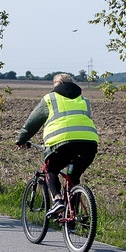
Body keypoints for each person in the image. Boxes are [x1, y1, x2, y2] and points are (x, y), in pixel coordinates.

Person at [16, 73, 98, 216]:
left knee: (50, 169)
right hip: (89, 144)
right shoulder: (84, 101)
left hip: (61, 144)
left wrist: (21, 139)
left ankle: (57, 200)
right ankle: (72, 218)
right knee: (74, 178)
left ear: (55, 86)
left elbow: (32, 124)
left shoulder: (50, 99)